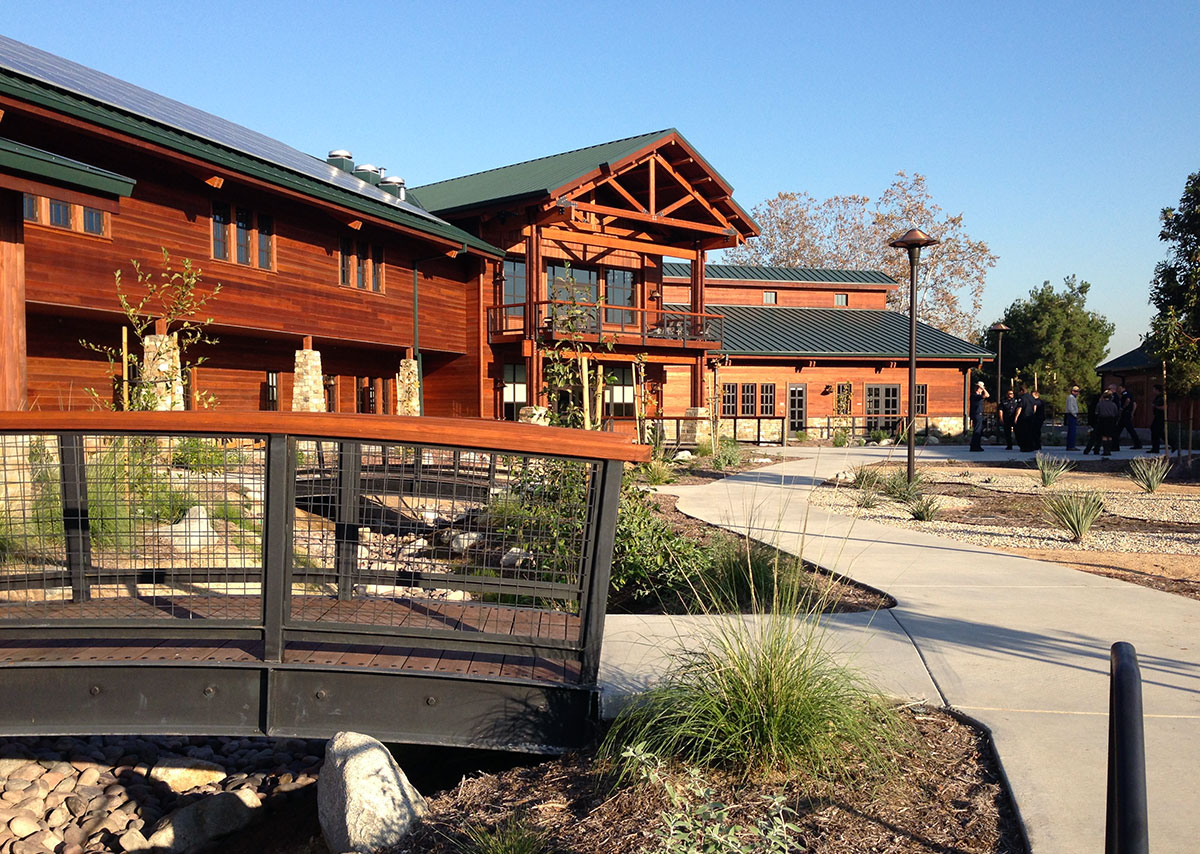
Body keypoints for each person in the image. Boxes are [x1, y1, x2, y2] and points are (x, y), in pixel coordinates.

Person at [1013, 384, 1038, 452]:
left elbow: (1019, 408)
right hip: (1030, 417)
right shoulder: (1031, 397)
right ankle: (1031, 446)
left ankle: (1024, 447)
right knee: (1030, 432)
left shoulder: (1022, 398)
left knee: (1023, 433)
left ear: (1021, 391)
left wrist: (1016, 417)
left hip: (1023, 417)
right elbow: (1035, 407)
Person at [1117, 384, 1142, 450]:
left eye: (1119, 388)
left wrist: (1123, 407)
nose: (1118, 389)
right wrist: (1132, 413)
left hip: (1125, 414)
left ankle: (1138, 444)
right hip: (1127, 414)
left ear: (1123, 388)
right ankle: (1137, 443)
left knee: (1127, 429)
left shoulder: (1125, 394)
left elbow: (1128, 400)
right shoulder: (1129, 394)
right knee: (1123, 429)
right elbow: (1134, 404)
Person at [1096, 389, 1120, 456]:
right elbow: (1116, 413)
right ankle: (1109, 450)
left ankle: (1105, 450)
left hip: (1102, 420)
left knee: (1104, 436)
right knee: (1109, 436)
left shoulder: (1100, 404)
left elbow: (1097, 412)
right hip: (1111, 420)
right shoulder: (1113, 404)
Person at [969, 380, 989, 451]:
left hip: (978, 415)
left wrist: (982, 389)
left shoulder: (978, 396)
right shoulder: (974, 396)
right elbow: (987, 395)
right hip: (977, 415)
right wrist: (983, 388)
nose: (979, 389)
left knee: (978, 431)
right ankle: (975, 446)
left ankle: (976, 445)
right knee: (977, 431)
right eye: (978, 387)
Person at [1149, 383, 1166, 454]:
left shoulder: (1162, 397)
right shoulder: (1157, 397)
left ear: (1157, 390)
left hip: (1160, 417)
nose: (1152, 391)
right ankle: (1155, 448)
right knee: (1155, 430)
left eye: (1153, 389)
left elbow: (1164, 407)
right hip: (1157, 416)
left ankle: (1173, 443)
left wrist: (1156, 407)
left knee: (1157, 431)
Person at [1064, 386, 1080, 450]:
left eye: (1077, 391)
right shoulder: (1071, 398)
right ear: (1072, 391)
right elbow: (1070, 408)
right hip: (1071, 415)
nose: (1077, 393)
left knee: (1073, 431)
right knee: (1072, 431)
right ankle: (1070, 446)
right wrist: (1074, 414)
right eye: (1075, 391)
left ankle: (1071, 445)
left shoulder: (1073, 398)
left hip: (1072, 415)